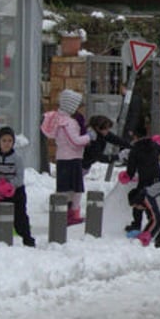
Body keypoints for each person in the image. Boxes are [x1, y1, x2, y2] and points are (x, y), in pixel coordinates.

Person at [41, 88, 93, 225]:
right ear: (72, 106)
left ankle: (63, 212)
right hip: (71, 158)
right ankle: (71, 213)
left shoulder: (60, 120)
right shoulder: (68, 122)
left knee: (66, 188)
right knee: (75, 189)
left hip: (64, 158)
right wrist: (88, 137)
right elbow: (75, 141)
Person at [0, 126, 35, 247]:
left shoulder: (17, 158)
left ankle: (27, 239)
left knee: (20, 217)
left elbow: (19, 178)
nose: (6, 143)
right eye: (4, 140)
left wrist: (8, 185)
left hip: (16, 193)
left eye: (10, 141)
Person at [122, 128, 160, 235]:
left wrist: (127, 176)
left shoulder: (135, 149)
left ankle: (139, 224)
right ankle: (154, 221)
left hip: (145, 178)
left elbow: (130, 170)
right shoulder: (153, 145)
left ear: (135, 137)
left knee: (139, 200)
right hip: (156, 177)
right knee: (151, 200)